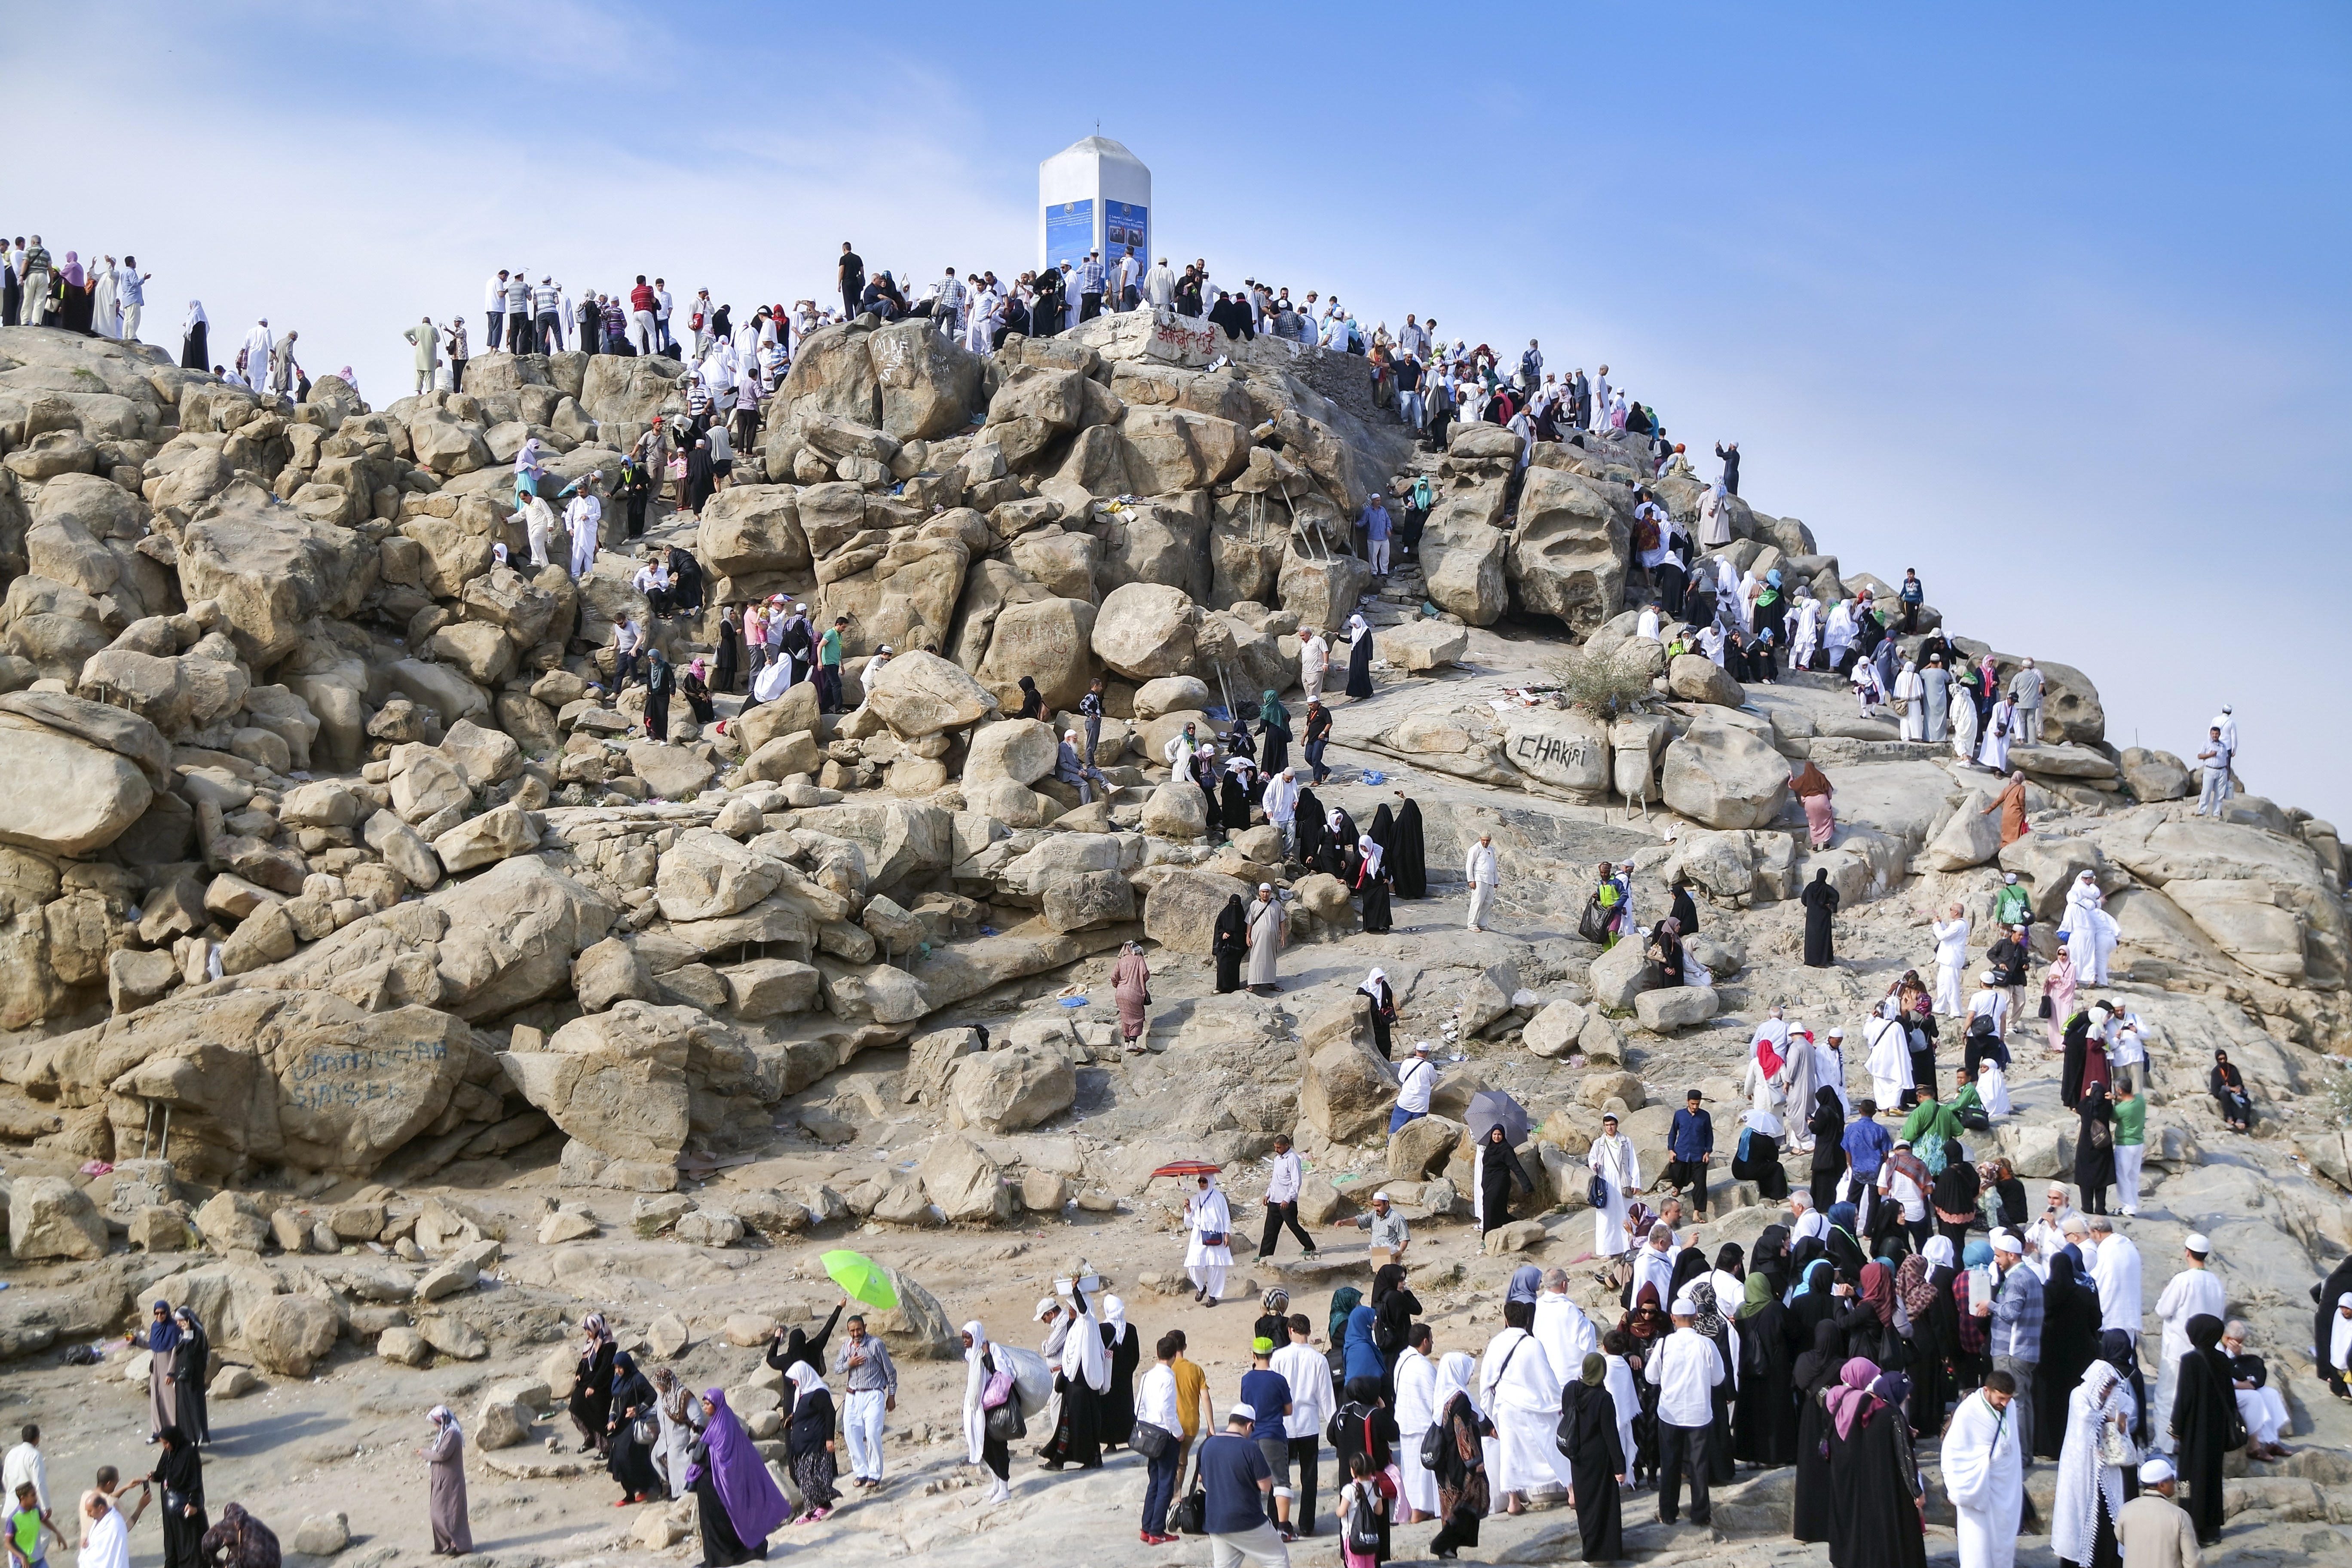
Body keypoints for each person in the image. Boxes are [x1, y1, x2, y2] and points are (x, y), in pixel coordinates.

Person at [1825, 1359, 1926, 1568]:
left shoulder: (1841, 1399)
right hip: (1874, 1477)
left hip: (1845, 1474)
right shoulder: (1870, 1406)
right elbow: (1903, 1454)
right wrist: (1916, 1490)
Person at [1480, 1299, 1569, 1513]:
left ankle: (1513, 1501)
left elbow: (1486, 1384)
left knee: (1511, 1453)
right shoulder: (1533, 1344)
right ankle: (1572, 1490)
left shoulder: (1496, 1344)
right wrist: (1559, 1404)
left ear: (1506, 1320)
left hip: (1507, 1406)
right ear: (1528, 1321)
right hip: (1534, 1406)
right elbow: (1546, 1378)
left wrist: (1491, 1410)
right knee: (1550, 1445)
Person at [1648, 1295, 1725, 1527]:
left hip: (1670, 1413)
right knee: (1699, 1465)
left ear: (1672, 1318)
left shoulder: (1663, 1344)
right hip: (1698, 1412)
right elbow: (1718, 1379)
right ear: (1695, 1318)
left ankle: (1668, 1512)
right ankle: (1701, 1514)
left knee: (1670, 1463)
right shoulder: (1706, 1344)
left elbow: (1651, 1377)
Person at [692, 1387, 790, 1562]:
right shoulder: (718, 1421)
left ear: (717, 1404)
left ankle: (723, 1558)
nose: (705, 1408)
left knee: (724, 1523)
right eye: (704, 1404)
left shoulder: (724, 1424)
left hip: (722, 1488)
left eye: (708, 1404)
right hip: (714, 1486)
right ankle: (717, 1558)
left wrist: (702, 1450)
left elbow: (724, 1457)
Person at [2054, 1360, 2135, 1568]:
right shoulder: (2079, 1394)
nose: (2108, 1391)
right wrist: (2111, 1419)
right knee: (2079, 1514)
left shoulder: (2113, 1397)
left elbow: (2126, 1402)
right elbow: (2085, 1419)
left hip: (2106, 1468)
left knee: (2107, 1519)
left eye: (2111, 1386)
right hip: (2081, 1466)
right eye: (2105, 1386)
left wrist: (2121, 1415)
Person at [2150, 1238, 2225, 1454]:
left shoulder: (2183, 1280)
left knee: (2168, 1397)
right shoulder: (2216, 1283)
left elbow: (2163, 1310)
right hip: (2205, 1352)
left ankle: (2165, 1444)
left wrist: (2166, 1293)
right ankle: (2191, 1441)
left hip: (2177, 1350)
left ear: (2187, 1253)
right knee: (2196, 1399)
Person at [2165, 1315, 2236, 1546]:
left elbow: (2184, 1398)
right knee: (2212, 1479)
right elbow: (2230, 1398)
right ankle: (2212, 1530)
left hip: (2194, 1434)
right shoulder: (2223, 1360)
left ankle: (2190, 1526)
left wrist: (2175, 1427)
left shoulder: (2190, 1360)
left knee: (2186, 1481)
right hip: (2216, 1433)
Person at [1942, 1373, 2025, 1568]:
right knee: (1976, 1546)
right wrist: (1957, 1488)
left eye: (2009, 1398)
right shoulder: (1968, 1412)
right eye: (2001, 1398)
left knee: (2003, 1543)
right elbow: (1953, 1453)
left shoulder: (2010, 1407)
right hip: (1975, 1486)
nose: (2005, 1404)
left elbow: (2012, 1447)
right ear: (1987, 1390)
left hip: (2003, 1487)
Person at [1271, 1315, 1338, 1538]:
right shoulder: (1319, 1360)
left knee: (1280, 1476)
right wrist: (1334, 1426)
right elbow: (1326, 1398)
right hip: (1309, 1424)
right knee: (1309, 1476)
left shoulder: (1278, 1357)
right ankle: (1307, 1523)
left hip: (1284, 1424)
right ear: (1309, 1332)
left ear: (1290, 1330)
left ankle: (1277, 1521)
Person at [1197, 1406, 1287, 1567]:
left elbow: (1201, 1479)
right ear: (1249, 1425)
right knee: (1278, 1559)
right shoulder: (1250, 1448)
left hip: (1216, 1522)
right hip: (1246, 1521)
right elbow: (1266, 1486)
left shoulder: (1207, 1445)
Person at [1426, 1353, 1494, 1561]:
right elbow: (1462, 1432)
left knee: (1453, 1507)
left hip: (1446, 1464)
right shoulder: (1460, 1399)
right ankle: (1441, 1544)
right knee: (1467, 1504)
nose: (1470, 1375)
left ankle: (1448, 1551)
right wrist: (1475, 1462)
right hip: (1459, 1464)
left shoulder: (1444, 1396)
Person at [1731, 1273, 1797, 1466]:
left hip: (1749, 1370)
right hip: (1775, 1370)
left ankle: (1752, 1458)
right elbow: (1795, 1332)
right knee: (1776, 1413)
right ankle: (1776, 1456)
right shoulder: (1776, 1308)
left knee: (1753, 1414)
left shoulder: (1740, 1313)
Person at [830, 1314, 898, 1491]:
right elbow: (836, 1368)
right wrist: (849, 1363)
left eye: (858, 1329)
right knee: (851, 1434)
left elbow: (890, 1372)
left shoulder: (875, 1344)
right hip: (853, 1396)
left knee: (872, 1434)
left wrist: (891, 1395)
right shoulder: (847, 1346)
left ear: (865, 1327)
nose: (856, 1333)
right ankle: (861, 1472)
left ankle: (875, 1474)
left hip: (873, 1394)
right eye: (852, 1330)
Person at [2217, 1320, 2294, 1461]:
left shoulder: (2234, 1348)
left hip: (2239, 1384)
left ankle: (2271, 1442)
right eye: (2238, 1342)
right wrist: (2242, 1385)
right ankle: (2254, 1445)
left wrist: (2238, 1355)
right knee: (2253, 1397)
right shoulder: (2216, 1347)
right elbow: (2221, 1373)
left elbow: (2240, 1368)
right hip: (2223, 1390)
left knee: (2270, 1394)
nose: (2240, 1344)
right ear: (2227, 1339)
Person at [958, 1323, 1013, 1508]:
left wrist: (988, 1354)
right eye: (964, 1338)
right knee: (985, 1448)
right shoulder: (972, 1354)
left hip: (994, 1408)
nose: (965, 1342)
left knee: (998, 1448)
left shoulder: (991, 1349)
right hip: (980, 1410)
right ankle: (996, 1485)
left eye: (968, 1338)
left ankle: (1005, 1488)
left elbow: (1003, 1373)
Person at [2115, 1458, 2201, 1568]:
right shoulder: (2179, 1515)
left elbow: (2121, 1537)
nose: (2175, 1483)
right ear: (2162, 1485)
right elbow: (2193, 1561)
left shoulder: (2126, 1509)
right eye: (2172, 1480)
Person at [783, 1363, 840, 1522]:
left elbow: (830, 1414)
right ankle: (816, 1508)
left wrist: (830, 1439)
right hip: (803, 1445)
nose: (794, 1383)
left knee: (813, 1477)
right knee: (804, 1478)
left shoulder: (818, 1393)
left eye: (795, 1380)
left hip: (815, 1443)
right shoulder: (801, 1394)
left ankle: (819, 1508)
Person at [605, 1353, 662, 1501]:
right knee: (617, 1455)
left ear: (627, 1366)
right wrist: (612, 1419)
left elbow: (652, 1395)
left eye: (620, 1367)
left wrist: (638, 1409)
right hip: (621, 1424)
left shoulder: (638, 1378)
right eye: (616, 1368)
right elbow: (616, 1403)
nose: (618, 1371)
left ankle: (646, 1487)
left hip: (635, 1423)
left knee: (628, 1455)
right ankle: (629, 1493)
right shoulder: (617, 1380)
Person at [146, 1428, 204, 1568]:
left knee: (189, 1540)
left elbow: (195, 1480)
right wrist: (154, 1476)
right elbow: (163, 1471)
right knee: (173, 1538)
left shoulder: (189, 1453)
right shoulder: (170, 1451)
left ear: (174, 1440)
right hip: (170, 1506)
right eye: (163, 1443)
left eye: (166, 1443)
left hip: (185, 1504)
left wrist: (194, 1504)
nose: (164, 1446)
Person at [1589, 1112, 1640, 1263]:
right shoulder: (1599, 1143)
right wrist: (1594, 1165)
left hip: (1623, 1182)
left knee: (1625, 1212)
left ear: (1616, 1125)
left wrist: (1635, 1182)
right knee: (1607, 1216)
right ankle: (1607, 1250)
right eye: (1607, 1126)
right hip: (1606, 1183)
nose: (1609, 1128)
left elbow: (1633, 1162)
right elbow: (1592, 1158)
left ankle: (1628, 1245)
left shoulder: (1626, 1141)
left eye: (1612, 1125)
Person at [1258, 1133, 1317, 1261]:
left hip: (1286, 1201)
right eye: (1275, 1147)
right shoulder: (1277, 1159)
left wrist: (1288, 1199)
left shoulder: (1293, 1159)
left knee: (1293, 1225)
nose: (1276, 1150)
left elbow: (1296, 1183)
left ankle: (1310, 1246)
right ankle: (1264, 1255)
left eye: (1279, 1147)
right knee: (1270, 1229)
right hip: (1274, 1200)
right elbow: (1275, 1180)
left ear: (1287, 1146)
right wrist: (1268, 1194)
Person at [1474, 1124, 1535, 1237]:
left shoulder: (1506, 1149)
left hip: (1500, 1182)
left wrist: (1527, 1186)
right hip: (1488, 1183)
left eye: (1499, 1134)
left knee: (1489, 1206)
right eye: (1495, 1134)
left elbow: (1517, 1168)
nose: (1497, 1137)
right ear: (1491, 1135)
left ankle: (1487, 1237)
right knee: (1498, 1208)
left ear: (1503, 1136)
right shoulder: (1489, 1149)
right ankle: (1507, 1224)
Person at [1666, 1090, 1714, 1219]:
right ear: (1687, 1101)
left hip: (1699, 1155)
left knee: (1700, 1184)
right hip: (1681, 1153)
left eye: (1698, 1104)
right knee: (1675, 1173)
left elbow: (1709, 1135)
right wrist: (1671, 1150)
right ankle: (1678, 1187)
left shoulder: (1705, 1116)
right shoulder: (1679, 1115)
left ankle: (1697, 1213)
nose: (1695, 1107)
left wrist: (1708, 1151)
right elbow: (1673, 1133)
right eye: (1693, 1104)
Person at [1187, 1174, 1234, 1305]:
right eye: (1200, 1181)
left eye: (1205, 1181)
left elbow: (1225, 1216)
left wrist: (1227, 1234)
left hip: (1216, 1236)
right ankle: (1201, 1288)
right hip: (1198, 1237)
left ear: (1211, 1182)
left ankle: (1213, 1296)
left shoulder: (1219, 1198)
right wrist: (1188, 1209)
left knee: (1215, 1267)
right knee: (1193, 1265)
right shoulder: (1195, 1199)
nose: (1202, 1184)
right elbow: (1189, 1221)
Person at [1109, 941, 1152, 1054]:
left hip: (1120, 993)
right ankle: (1133, 1043)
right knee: (1137, 1017)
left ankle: (1127, 1044)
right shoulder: (1139, 959)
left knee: (1126, 1018)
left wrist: (1119, 986)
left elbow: (1113, 977)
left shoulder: (1121, 961)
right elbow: (1146, 974)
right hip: (1134, 993)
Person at [1245, 884, 1286, 994]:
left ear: (1270, 892)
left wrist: (1283, 936)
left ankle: (1272, 983)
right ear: (1259, 892)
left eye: (1267, 892)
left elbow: (1282, 920)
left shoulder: (1276, 905)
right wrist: (1248, 936)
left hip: (1272, 937)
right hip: (1257, 937)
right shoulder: (1254, 904)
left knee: (1271, 959)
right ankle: (1252, 983)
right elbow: (1250, 921)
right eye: (1263, 892)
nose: (1265, 894)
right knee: (1256, 958)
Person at [1213, 894, 1249, 995]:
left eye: (1236, 904)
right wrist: (1223, 933)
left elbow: (1245, 929)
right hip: (1224, 946)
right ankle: (1220, 987)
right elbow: (1218, 928)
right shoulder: (1224, 914)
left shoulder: (1241, 916)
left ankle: (1233, 987)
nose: (1234, 905)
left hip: (1236, 946)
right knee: (1223, 965)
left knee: (1234, 967)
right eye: (1232, 903)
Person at [1802, 868, 1839, 967]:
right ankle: (1823, 961)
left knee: (1811, 939)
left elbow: (1803, 899)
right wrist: (1830, 905)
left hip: (1811, 917)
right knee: (1823, 939)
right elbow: (1836, 896)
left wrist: (1811, 905)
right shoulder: (1826, 888)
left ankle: (1810, 961)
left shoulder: (1810, 886)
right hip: (1823, 917)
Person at [2209, 1051, 2253, 1132]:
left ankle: (2241, 1121)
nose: (2223, 1061)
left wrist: (2238, 1088)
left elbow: (2239, 1083)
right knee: (2224, 1094)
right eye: (2220, 1059)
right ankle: (2229, 1118)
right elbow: (2215, 1089)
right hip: (2224, 1093)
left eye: (2224, 1059)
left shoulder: (2232, 1069)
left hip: (2236, 1094)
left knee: (2246, 1102)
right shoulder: (2215, 1072)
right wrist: (2229, 1089)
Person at [1464, 833, 1499, 933]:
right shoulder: (1475, 848)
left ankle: (1482, 923)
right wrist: (1471, 880)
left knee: (1488, 901)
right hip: (1479, 878)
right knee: (1478, 901)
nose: (1485, 842)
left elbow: (1494, 866)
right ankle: (1472, 924)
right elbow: (1469, 865)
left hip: (1490, 879)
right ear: (1480, 839)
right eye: (1484, 840)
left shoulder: (1492, 850)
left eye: (1488, 840)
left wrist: (1496, 880)